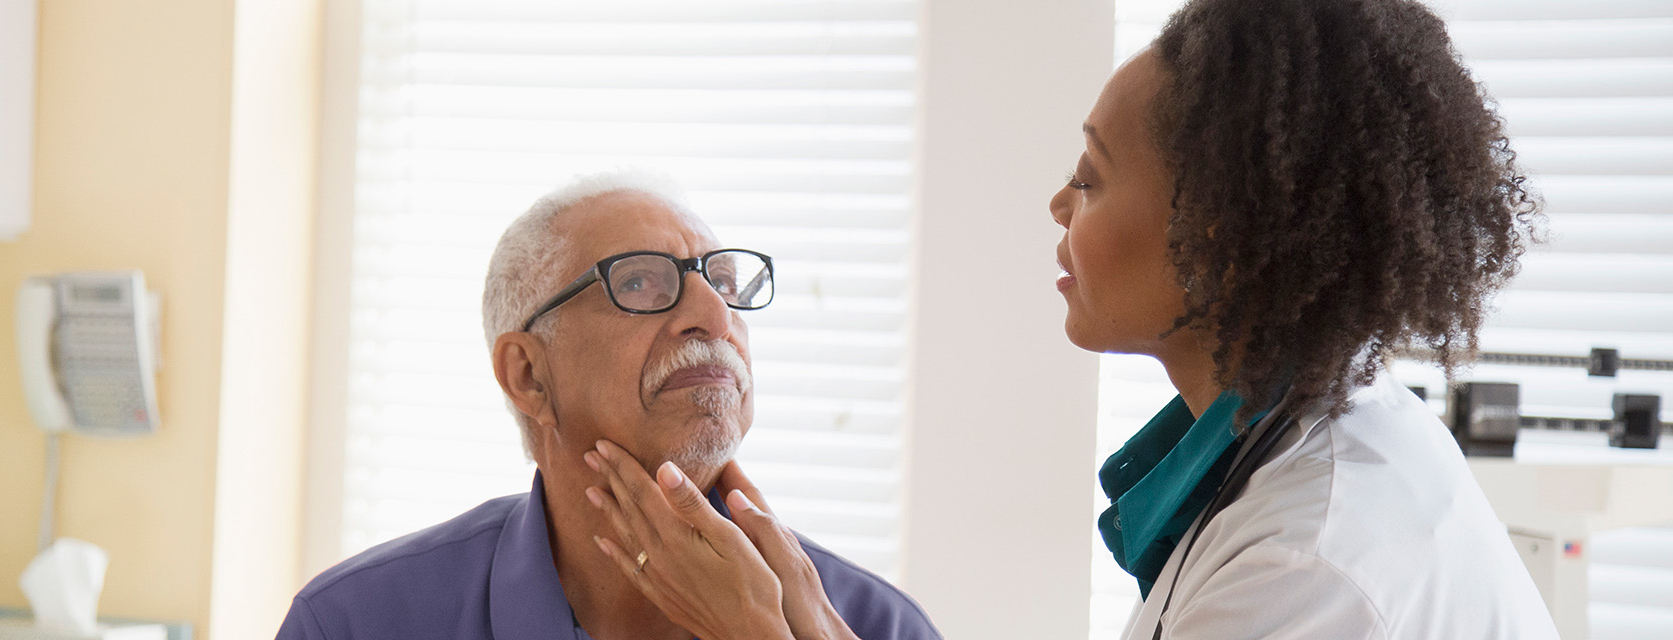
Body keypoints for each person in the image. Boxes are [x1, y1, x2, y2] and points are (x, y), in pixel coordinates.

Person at [579, 0, 1561, 638]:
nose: (1058, 204)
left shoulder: (1315, 570)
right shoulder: (1284, 450)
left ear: (1219, 229)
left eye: (1090, 176)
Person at [274, 171, 939, 640]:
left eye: (726, 283)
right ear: (528, 375)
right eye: (642, 282)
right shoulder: (357, 623)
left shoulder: (879, 626)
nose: (713, 314)